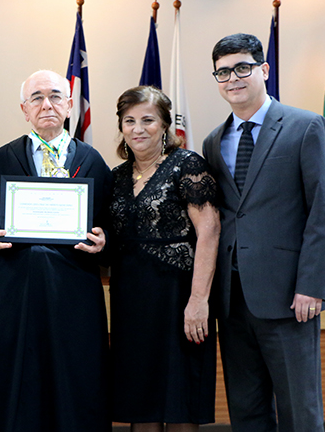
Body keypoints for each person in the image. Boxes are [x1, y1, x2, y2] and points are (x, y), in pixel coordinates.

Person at [202, 33, 325, 432]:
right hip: (231, 300)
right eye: (224, 72)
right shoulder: (214, 141)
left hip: (289, 297)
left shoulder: (306, 126)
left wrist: (313, 285)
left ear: (263, 70)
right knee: (246, 411)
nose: (233, 78)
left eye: (243, 68)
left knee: (299, 411)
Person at [0, 69, 111, 432]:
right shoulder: (0, 161)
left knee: (77, 378)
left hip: (75, 293)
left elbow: (115, 218)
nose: (46, 104)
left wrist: (104, 238)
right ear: (24, 109)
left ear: (68, 106)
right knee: (18, 378)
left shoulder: (93, 161)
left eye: (54, 96)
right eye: (36, 98)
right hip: (16, 293)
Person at [108, 86, 220, 431]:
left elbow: (210, 231)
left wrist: (199, 300)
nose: (138, 128)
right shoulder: (116, 177)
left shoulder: (187, 165)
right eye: (129, 121)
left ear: (165, 124)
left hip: (178, 299)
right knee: (141, 401)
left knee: (180, 400)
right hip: (131, 301)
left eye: (147, 120)